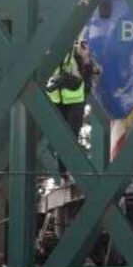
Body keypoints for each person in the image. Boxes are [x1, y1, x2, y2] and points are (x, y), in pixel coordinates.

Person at [45, 38, 100, 178]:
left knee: (72, 136)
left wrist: (86, 58)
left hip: (75, 100)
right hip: (56, 99)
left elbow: (89, 73)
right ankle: (63, 173)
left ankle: (69, 172)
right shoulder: (48, 49)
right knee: (59, 138)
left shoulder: (76, 51)